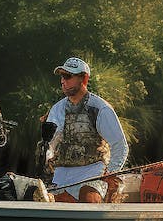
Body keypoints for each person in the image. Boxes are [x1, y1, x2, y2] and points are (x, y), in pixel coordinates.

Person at [45, 57, 128, 203]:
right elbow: (50, 145)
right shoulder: (56, 109)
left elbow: (120, 145)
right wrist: (46, 155)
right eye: (62, 77)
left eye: (68, 76)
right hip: (61, 173)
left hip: (93, 172)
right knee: (48, 200)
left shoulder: (100, 108)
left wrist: (111, 173)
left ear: (84, 79)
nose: (63, 81)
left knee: (88, 196)